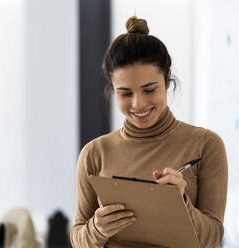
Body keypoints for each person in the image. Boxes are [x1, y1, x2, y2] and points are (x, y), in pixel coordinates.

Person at [70, 16, 228, 248]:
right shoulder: (94, 153)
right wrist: (96, 229)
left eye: (149, 89)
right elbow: (78, 237)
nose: (138, 104)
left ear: (167, 79)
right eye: (125, 93)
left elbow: (212, 240)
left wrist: (181, 202)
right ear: (113, 90)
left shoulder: (205, 145)